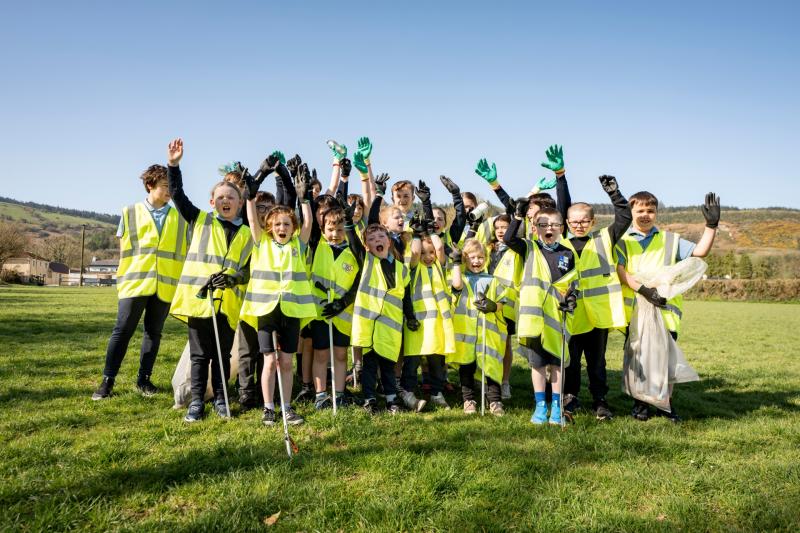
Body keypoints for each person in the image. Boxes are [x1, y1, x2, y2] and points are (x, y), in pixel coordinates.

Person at [167, 138, 253, 422]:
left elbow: (247, 271)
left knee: (222, 355)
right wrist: (174, 165)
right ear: (212, 201)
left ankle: (221, 399)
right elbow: (177, 195)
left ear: (240, 203)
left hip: (227, 304)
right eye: (221, 197)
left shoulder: (248, 234)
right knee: (199, 355)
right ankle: (195, 404)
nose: (226, 200)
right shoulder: (200, 220)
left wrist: (233, 279)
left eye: (232, 197)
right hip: (198, 300)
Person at [616, 190, 720, 422]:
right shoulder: (622, 241)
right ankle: (641, 403)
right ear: (631, 212)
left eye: (650, 210)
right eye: (640, 210)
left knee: (666, 360)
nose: (645, 215)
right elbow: (621, 271)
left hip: (665, 312)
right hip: (635, 311)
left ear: (656, 213)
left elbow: (700, 252)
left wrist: (711, 226)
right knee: (638, 359)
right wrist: (643, 290)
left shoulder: (670, 240)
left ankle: (665, 404)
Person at [91, 161, 188, 400]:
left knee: (153, 333)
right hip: (134, 283)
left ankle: (144, 380)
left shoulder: (181, 218)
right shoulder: (129, 212)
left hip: (165, 285)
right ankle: (107, 381)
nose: (169, 191)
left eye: (171, 187)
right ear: (149, 185)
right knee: (122, 331)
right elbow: (124, 251)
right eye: (165, 186)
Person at [240, 166, 316, 427]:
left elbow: (309, 223)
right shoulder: (262, 242)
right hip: (266, 308)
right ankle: (268, 408)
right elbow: (251, 220)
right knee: (269, 360)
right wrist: (250, 197)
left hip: (292, 311)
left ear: (292, 227)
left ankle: (286, 406)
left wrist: (304, 199)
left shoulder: (298, 244)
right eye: (277, 224)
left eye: (286, 223)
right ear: (269, 227)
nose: (281, 227)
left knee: (285, 361)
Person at [559, 175, 632, 421]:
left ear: (593, 221)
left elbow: (625, 218)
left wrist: (615, 195)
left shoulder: (604, 239)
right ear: (567, 223)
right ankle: (570, 398)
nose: (579, 225)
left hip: (598, 316)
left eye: (584, 221)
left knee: (596, 363)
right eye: (574, 222)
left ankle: (600, 401)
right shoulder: (560, 246)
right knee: (570, 361)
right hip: (572, 315)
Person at [505, 204, 577, 426]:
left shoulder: (567, 253)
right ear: (535, 228)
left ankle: (557, 406)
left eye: (554, 224)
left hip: (556, 318)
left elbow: (572, 283)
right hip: (534, 319)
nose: (549, 228)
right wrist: (517, 216)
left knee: (557, 364)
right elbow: (509, 239)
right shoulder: (529, 248)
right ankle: (540, 405)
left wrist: (572, 299)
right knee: (537, 365)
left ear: (561, 228)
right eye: (543, 224)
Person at [348, 223, 417, 414]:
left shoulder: (402, 268)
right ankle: (369, 400)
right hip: (369, 324)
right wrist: (348, 222)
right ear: (366, 246)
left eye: (381, 237)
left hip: (391, 325)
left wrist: (410, 317)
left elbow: (407, 296)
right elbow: (353, 242)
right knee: (369, 366)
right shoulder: (366, 261)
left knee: (388, 365)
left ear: (389, 241)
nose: (377, 241)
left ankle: (392, 400)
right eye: (371, 239)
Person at [309, 199, 360, 410]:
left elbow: (359, 281)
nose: (335, 234)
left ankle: (339, 394)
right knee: (320, 354)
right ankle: (321, 395)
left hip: (343, 312)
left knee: (340, 354)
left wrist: (344, 302)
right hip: (321, 310)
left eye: (339, 229)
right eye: (330, 229)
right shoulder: (316, 245)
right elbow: (308, 220)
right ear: (322, 229)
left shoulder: (353, 252)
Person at [449, 239, 508, 416]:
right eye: (472, 258)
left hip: (488, 334)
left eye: (481, 257)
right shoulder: (462, 279)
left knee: (491, 366)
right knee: (467, 368)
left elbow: (501, 303)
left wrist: (492, 306)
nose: (476, 261)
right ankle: (468, 400)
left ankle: (495, 401)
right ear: (465, 259)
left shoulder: (493, 280)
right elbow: (456, 285)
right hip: (466, 335)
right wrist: (457, 264)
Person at [403, 213, 455, 411]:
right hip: (417, 320)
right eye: (425, 253)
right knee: (413, 359)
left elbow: (441, 247)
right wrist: (417, 235)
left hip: (437, 322)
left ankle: (436, 392)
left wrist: (432, 231)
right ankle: (408, 392)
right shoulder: (415, 268)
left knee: (436, 360)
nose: (427, 256)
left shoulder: (440, 267)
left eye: (430, 252)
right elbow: (415, 253)